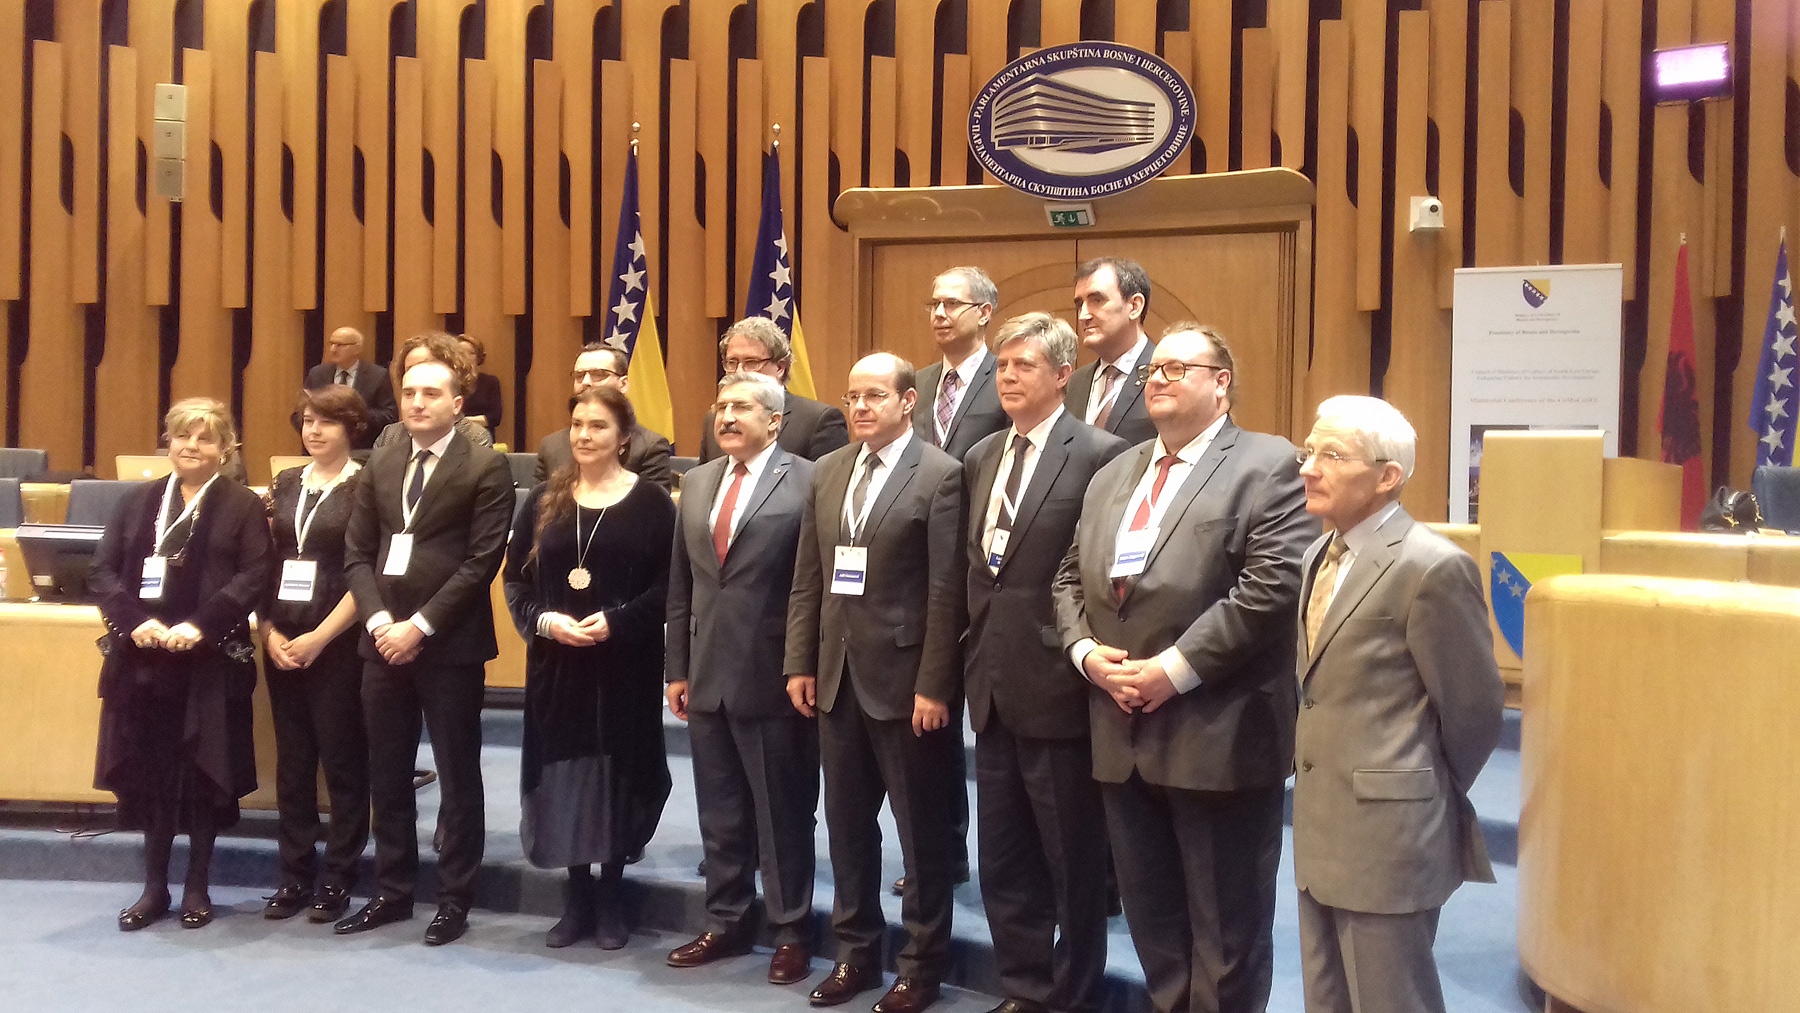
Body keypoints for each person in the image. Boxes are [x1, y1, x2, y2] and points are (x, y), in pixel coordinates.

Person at [1051, 324, 1318, 1013]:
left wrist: (1175, 668)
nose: (1158, 379)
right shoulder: (1115, 472)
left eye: (1177, 368)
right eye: (1154, 370)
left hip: (1217, 731)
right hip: (1120, 728)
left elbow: (1271, 586)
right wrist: (1086, 656)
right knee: (1155, 927)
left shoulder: (1269, 463)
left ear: (1221, 382)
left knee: (1226, 934)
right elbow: (1068, 577)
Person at [1291, 396, 1505, 1013]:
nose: (1309, 468)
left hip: (1390, 833)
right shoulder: (1316, 556)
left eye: (1332, 455)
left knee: (1392, 1001)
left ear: (1387, 476)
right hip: (1322, 824)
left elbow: (1474, 710)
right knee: (1326, 999)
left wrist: (1415, 785)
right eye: (1309, 451)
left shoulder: (1432, 567)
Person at [786, 353, 965, 1013]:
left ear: (907, 401)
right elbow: (809, 576)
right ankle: (855, 954)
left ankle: (921, 965)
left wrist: (935, 683)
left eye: (874, 396)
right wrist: (799, 661)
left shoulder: (940, 475)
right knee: (848, 830)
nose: (860, 407)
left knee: (921, 837)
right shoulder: (829, 470)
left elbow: (947, 591)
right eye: (852, 396)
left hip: (908, 684)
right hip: (837, 679)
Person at [962, 314, 1127, 1013]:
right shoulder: (980, 455)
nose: (1007, 376)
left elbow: (1101, 573)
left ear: (1063, 375)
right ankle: (1024, 987)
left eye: (1022, 365)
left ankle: (1074, 993)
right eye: (1001, 365)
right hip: (991, 684)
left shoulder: (1100, 455)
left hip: (1060, 684)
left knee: (1072, 861)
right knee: (1003, 858)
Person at [338, 355, 514, 946]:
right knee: (387, 774)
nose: (416, 402)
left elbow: (482, 561)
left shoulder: (485, 465)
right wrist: (379, 621)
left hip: (449, 646)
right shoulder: (381, 461)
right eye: (409, 392)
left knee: (458, 777)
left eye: (431, 393)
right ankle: (392, 891)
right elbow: (357, 553)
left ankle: (454, 899)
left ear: (457, 405)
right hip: (381, 641)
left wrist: (418, 627)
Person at [90, 398, 275, 931]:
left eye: (204, 438)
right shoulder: (137, 500)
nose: (191, 446)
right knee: (151, 775)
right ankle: (154, 888)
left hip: (207, 663)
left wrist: (201, 625)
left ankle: (197, 886)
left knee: (201, 775)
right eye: (182, 436)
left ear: (226, 448)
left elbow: (255, 574)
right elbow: (102, 571)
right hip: (144, 664)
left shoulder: (242, 505)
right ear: (167, 442)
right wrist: (132, 622)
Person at [504, 384, 675, 950]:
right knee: (567, 779)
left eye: (598, 425)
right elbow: (515, 582)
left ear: (623, 437)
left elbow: (669, 586)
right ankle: (577, 899)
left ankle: (611, 899)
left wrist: (619, 621)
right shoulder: (543, 500)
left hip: (625, 667)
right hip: (558, 669)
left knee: (617, 777)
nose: (583, 435)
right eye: (577, 424)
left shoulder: (652, 503)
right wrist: (545, 621)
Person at [664, 372, 819, 984]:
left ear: (775, 420)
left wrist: (800, 663)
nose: (726, 416)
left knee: (782, 813)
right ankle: (726, 920)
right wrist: (677, 667)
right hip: (705, 673)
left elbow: (810, 586)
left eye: (742, 407)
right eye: (721, 405)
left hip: (775, 673)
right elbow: (682, 585)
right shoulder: (699, 480)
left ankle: (790, 930)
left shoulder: (808, 479)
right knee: (721, 810)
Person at [261, 386, 372, 924]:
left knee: (342, 761)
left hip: (337, 642)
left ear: (351, 427)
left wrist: (319, 638)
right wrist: (268, 632)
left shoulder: (365, 485)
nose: (314, 431)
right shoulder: (286, 482)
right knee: (294, 764)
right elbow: (264, 562)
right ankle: (293, 875)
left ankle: (338, 877)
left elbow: (366, 571)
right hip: (282, 639)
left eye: (326, 422)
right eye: (307, 421)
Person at [697, 316, 849, 463]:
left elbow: (827, 479)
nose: (739, 371)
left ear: (780, 368)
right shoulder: (715, 418)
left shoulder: (817, 420)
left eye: (751, 362)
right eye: (732, 362)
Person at [535, 342, 675, 490]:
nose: (586, 382)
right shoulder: (551, 446)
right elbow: (539, 503)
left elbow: (652, 503)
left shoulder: (650, 447)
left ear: (623, 384)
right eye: (579, 376)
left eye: (599, 374)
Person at [912, 266, 1008, 461]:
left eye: (952, 304)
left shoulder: (1005, 378)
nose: (938, 313)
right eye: (935, 304)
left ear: (984, 313)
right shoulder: (916, 383)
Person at [1063, 258, 1158, 448]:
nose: (1083, 316)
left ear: (1134, 306)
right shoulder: (1075, 382)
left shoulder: (1165, 375)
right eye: (1080, 304)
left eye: (1096, 300)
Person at [371, 332, 493, 450]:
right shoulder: (391, 435)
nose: (416, 374)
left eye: (425, 367)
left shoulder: (474, 437)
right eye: (410, 369)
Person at [300, 326, 399, 448]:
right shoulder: (317, 374)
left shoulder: (377, 375)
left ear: (357, 349)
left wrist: (354, 414)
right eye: (331, 344)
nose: (333, 349)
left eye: (340, 345)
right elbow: (298, 413)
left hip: (362, 449)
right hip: (321, 446)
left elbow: (390, 416)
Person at [457, 333, 505, 439]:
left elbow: (494, 418)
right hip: (454, 438)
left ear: (479, 357)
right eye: (461, 353)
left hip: (482, 437)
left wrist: (462, 422)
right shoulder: (449, 382)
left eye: (471, 353)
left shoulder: (490, 382)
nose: (465, 357)